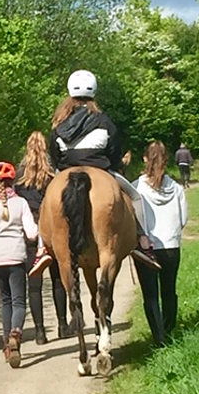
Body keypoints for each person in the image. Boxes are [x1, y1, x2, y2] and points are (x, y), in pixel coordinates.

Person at [48, 69, 161, 271]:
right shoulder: (104, 120)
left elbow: (54, 154)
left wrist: (62, 167)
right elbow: (114, 151)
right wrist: (113, 165)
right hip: (101, 169)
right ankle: (143, 241)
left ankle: (42, 248)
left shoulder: (59, 124)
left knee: (46, 202)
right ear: (94, 93)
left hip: (65, 170)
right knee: (136, 197)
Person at [0, 161, 38, 368]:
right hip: (17, 257)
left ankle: (6, 344)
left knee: (6, 301)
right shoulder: (21, 203)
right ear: (13, 181)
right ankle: (16, 333)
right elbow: (31, 234)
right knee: (19, 301)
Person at [16, 131, 70, 343]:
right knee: (58, 278)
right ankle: (63, 325)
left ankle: (39, 332)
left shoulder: (19, 177)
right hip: (52, 230)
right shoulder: (53, 176)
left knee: (34, 283)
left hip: (30, 232)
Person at [133, 141, 188, 346]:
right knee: (169, 290)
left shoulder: (135, 188)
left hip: (147, 248)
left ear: (145, 159)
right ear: (166, 160)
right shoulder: (176, 187)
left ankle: (158, 339)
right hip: (172, 246)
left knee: (151, 295)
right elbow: (183, 219)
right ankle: (169, 330)